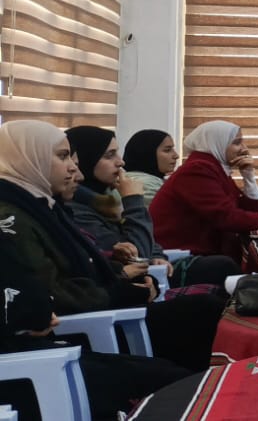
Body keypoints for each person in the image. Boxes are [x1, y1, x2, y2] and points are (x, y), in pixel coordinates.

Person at [0, 120, 229, 372]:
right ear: (29, 160)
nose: (75, 170)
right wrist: (133, 204)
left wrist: (126, 274)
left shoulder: (49, 207)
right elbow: (53, 292)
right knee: (204, 309)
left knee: (210, 304)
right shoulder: (16, 217)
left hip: (98, 312)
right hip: (76, 328)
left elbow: (126, 255)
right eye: (63, 156)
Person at [0, 216, 190, 421]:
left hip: (40, 345)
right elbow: (43, 298)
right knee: (171, 378)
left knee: (171, 372)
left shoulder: (48, 211)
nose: (77, 181)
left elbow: (36, 293)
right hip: (26, 362)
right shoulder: (16, 215)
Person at [64, 126, 239, 289]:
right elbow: (137, 255)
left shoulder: (108, 197)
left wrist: (157, 256)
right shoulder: (78, 210)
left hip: (152, 272)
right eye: (109, 155)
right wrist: (133, 201)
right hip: (128, 284)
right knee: (220, 269)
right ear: (86, 160)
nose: (120, 162)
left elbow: (149, 242)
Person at [151, 121, 258, 267]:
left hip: (207, 253)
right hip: (179, 258)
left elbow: (247, 213)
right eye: (237, 143)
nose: (244, 149)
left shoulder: (215, 167)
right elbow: (227, 217)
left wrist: (248, 176)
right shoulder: (198, 169)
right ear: (217, 143)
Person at [122, 128, 179, 198]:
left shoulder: (129, 180)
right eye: (167, 150)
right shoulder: (148, 186)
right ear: (147, 153)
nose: (176, 156)